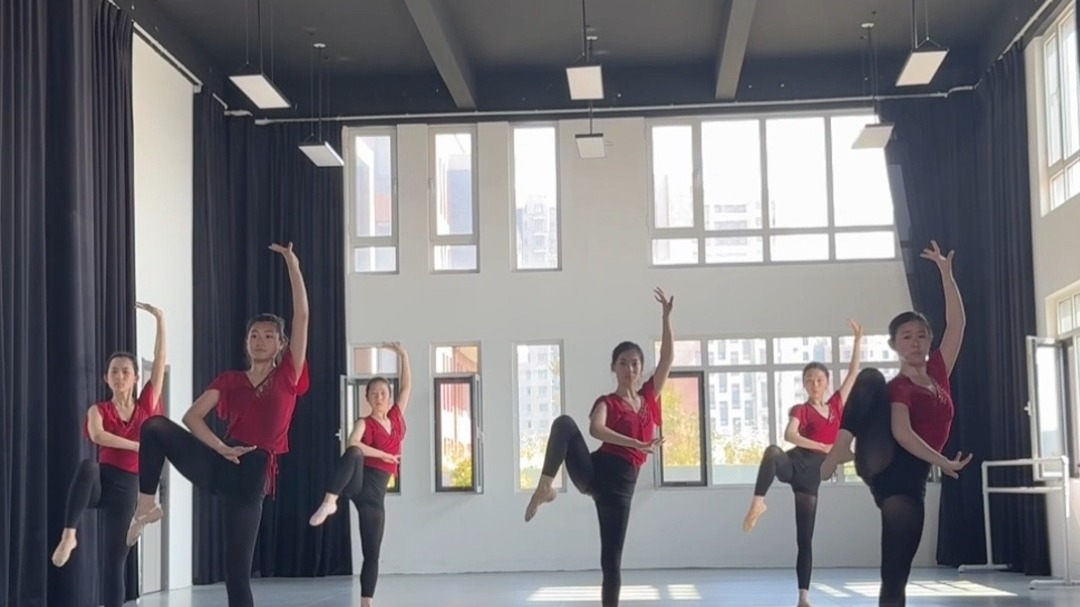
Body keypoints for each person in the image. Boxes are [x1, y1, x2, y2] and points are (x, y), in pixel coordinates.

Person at [126, 243, 310, 607]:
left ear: (281, 344)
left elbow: (302, 315)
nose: (260, 341)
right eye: (254, 335)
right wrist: (221, 447)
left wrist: (292, 264)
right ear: (246, 342)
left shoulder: (288, 375)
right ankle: (146, 505)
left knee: (235, 575)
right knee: (155, 427)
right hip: (221, 462)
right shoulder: (230, 379)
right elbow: (191, 417)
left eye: (268, 335)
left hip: (252, 474)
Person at [820, 241, 973, 607]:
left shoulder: (938, 372)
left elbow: (957, 324)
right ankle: (840, 447)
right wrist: (943, 460)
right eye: (907, 336)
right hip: (884, 457)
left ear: (929, 340)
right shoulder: (900, 388)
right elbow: (902, 434)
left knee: (895, 573)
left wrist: (946, 275)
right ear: (894, 344)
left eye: (921, 335)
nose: (915, 342)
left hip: (910, 479)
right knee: (870, 378)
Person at [524, 287, 674, 607]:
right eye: (623, 363)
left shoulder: (649, 397)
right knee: (564, 423)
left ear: (640, 368)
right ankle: (546, 487)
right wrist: (636, 442)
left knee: (611, 564)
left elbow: (667, 359)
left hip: (620, 490)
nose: (630, 369)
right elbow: (596, 429)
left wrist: (665, 319)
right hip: (593, 472)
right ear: (613, 367)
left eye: (635, 363)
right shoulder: (608, 402)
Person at [50, 303, 166, 607]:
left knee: (113, 564)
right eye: (114, 372)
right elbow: (98, 436)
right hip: (101, 482)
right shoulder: (98, 410)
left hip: (127, 489)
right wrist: (138, 447)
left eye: (125, 371)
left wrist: (160, 320)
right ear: (106, 378)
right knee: (88, 465)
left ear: (136, 377)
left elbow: (159, 360)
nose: (119, 376)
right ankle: (69, 535)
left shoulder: (146, 406)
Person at [742, 319, 864, 607]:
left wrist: (858, 341)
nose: (814, 384)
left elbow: (853, 373)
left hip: (810, 479)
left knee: (805, 540)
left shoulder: (836, 406)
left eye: (819, 379)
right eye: (809, 380)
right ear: (804, 384)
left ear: (827, 382)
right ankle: (758, 503)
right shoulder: (801, 409)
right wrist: (822, 446)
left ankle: (803, 597)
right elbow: (790, 435)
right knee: (773, 451)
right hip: (794, 463)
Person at [308, 342, 412, 607]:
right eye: (373, 393)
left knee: (372, 553)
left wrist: (403, 355)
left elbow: (407, 386)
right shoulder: (364, 422)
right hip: (358, 482)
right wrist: (383, 455)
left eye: (383, 393)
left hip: (375, 498)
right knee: (354, 451)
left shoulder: (397, 419)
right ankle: (330, 501)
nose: (379, 397)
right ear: (367, 398)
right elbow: (353, 443)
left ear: (389, 397)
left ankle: (367, 603)